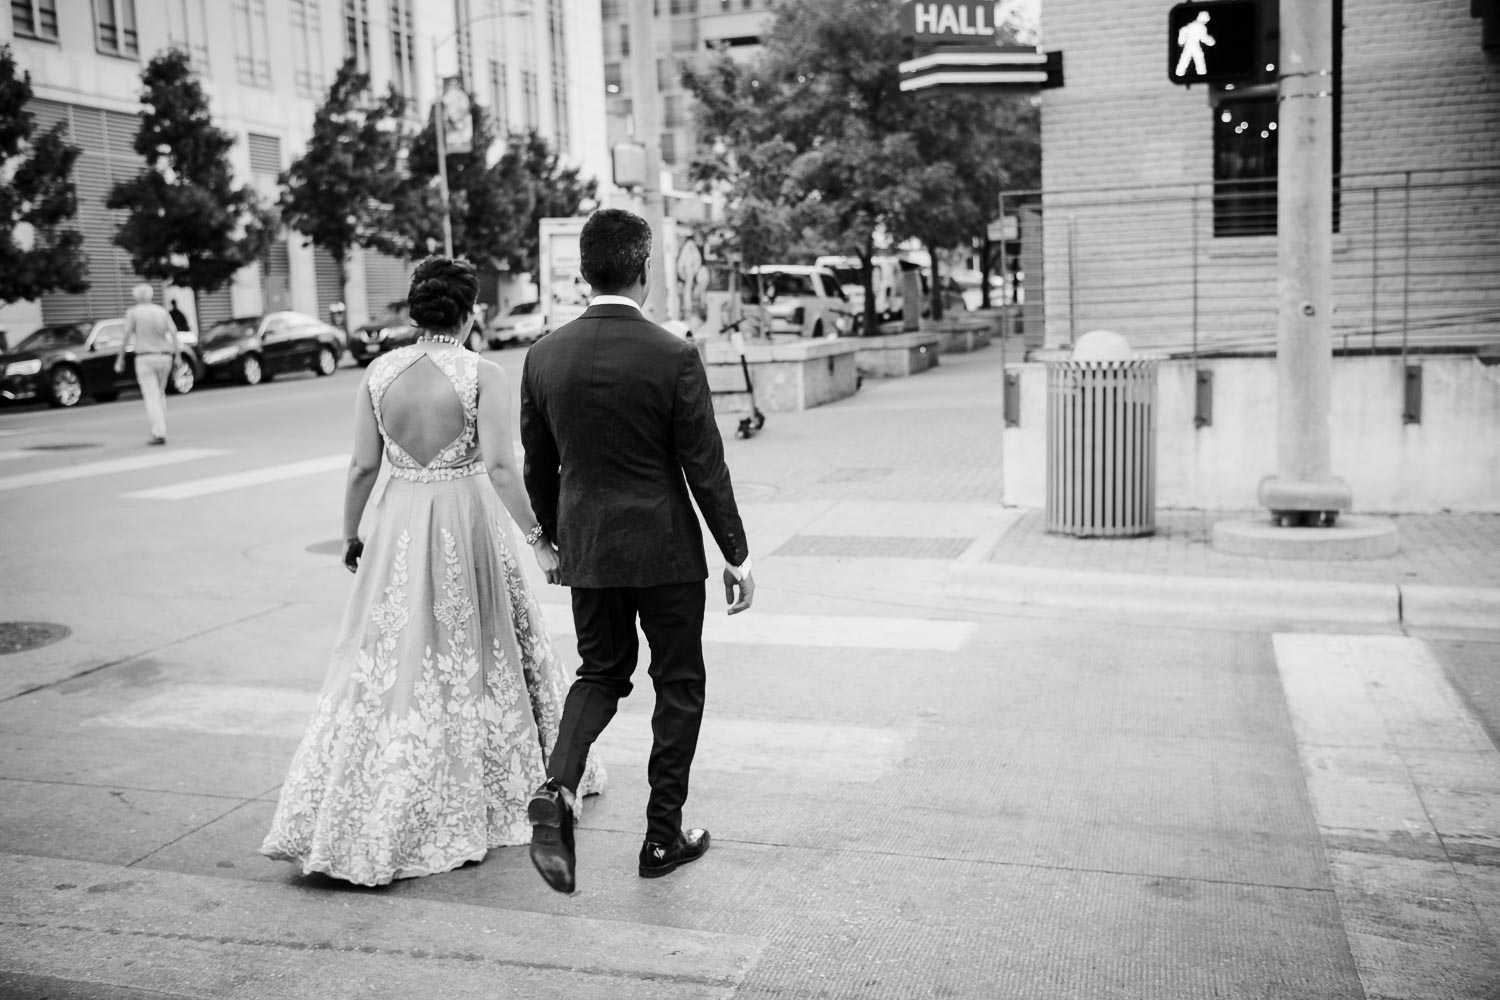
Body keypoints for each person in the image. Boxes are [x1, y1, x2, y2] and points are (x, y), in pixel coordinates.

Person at [259, 256, 603, 886]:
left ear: (415, 313)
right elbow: (503, 468)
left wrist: (351, 532)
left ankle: (379, 781)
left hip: (398, 522)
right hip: (464, 519)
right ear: (470, 312)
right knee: (475, 648)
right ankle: (489, 774)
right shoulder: (484, 373)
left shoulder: (377, 373)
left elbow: (363, 467)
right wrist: (539, 539)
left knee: (399, 653)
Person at [520, 209, 753, 894]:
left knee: (600, 672)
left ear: (583, 273)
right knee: (677, 684)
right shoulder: (673, 354)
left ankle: (557, 786)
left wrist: (553, 537)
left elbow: (539, 465)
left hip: (589, 546)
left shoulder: (544, 356)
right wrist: (735, 551)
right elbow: (703, 464)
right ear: (645, 269)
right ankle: (661, 836)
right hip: (665, 550)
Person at [116, 284, 181, 446]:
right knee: (159, 394)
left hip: (145, 359)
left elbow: (126, 336)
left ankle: (159, 432)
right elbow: (174, 334)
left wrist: (120, 359)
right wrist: (178, 356)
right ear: (151, 296)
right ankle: (160, 428)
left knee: (152, 396)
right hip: (164, 357)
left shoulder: (134, 313)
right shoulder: (162, 312)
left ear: (137, 297)